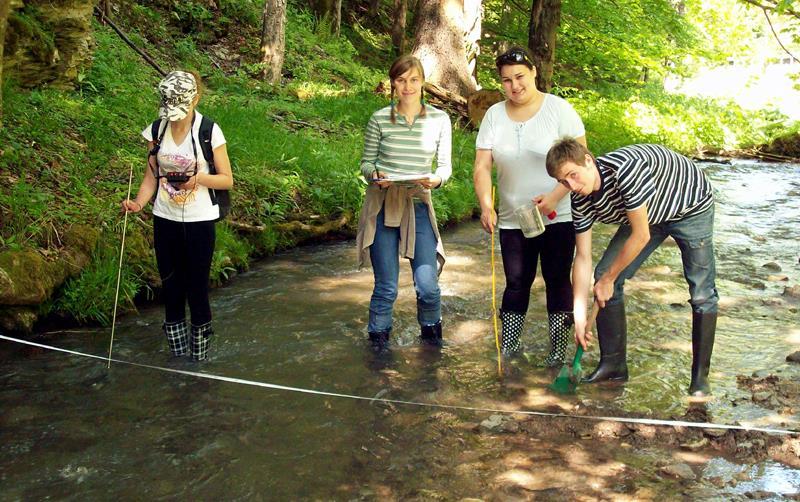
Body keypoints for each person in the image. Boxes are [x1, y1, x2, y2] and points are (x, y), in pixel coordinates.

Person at [545, 139, 718, 396]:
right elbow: (582, 258)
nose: (572, 186)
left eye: (573, 175)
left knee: (702, 293)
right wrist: (579, 316)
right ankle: (614, 367)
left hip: (690, 206)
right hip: (645, 214)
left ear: (589, 161)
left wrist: (608, 280)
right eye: (563, 182)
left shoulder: (625, 172)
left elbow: (641, 236)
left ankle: (700, 380)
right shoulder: (580, 200)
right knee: (604, 275)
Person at [473, 47, 586, 366]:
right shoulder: (494, 115)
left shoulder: (560, 110)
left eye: (520, 77)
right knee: (516, 283)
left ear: (534, 72)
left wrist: (553, 197)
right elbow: (482, 166)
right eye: (506, 80)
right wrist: (485, 204)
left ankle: (557, 353)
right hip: (511, 218)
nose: (514, 86)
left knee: (557, 279)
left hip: (558, 215)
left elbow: (581, 164)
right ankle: (508, 349)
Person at [121, 70, 233, 361]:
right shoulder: (157, 130)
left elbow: (226, 180)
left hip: (199, 221)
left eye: (179, 111)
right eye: (169, 111)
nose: (174, 117)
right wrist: (138, 203)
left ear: (195, 100)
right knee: (170, 289)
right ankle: (178, 363)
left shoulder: (209, 131)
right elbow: (151, 177)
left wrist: (197, 180)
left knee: (197, 290)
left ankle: (199, 362)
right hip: (165, 217)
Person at [356, 55, 452, 352]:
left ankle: (432, 346)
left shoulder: (439, 119)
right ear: (392, 84)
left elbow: (445, 168)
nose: (407, 86)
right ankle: (378, 351)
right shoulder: (379, 118)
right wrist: (375, 175)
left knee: (428, 287)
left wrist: (436, 180)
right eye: (401, 80)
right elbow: (366, 163)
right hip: (383, 203)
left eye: (413, 80)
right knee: (386, 287)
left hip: (418, 204)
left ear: (423, 83)